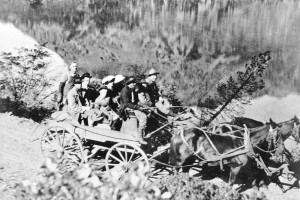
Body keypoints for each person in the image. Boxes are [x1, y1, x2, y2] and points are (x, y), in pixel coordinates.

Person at [119, 77, 147, 144]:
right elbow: (126, 104)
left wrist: (141, 105)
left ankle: (143, 133)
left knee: (147, 112)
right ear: (129, 83)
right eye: (133, 83)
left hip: (132, 107)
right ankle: (139, 136)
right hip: (127, 109)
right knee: (143, 116)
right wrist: (137, 107)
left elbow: (135, 101)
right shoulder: (124, 91)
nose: (134, 84)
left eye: (135, 83)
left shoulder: (132, 90)